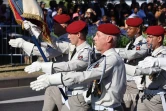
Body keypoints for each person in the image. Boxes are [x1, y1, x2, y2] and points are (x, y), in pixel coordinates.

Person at [30, 23, 126, 111]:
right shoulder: (105, 58)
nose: (94, 38)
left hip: (105, 108)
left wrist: (53, 78)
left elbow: (85, 75)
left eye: (98, 35)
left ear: (108, 39)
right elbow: (57, 44)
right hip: (93, 105)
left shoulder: (111, 59)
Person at [25, 20, 93, 111]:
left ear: (78, 35)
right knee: (51, 94)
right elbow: (56, 43)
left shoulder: (86, 51)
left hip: (79, 97)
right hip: (69, 95)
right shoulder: (73, 47)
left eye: (70, 34)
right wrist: (37, 31)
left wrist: (45, 66)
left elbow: (70, 66)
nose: (68, 36)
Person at [126, 26, 166, 111]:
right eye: (147, 36)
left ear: (159, 39)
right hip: (144, 94)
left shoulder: (162, 54)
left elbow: (152, 69)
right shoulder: (151, 53)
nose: (147, 39)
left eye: (150, 37)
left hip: (156, 97)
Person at [115, 17, 148, 111]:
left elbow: (131, 55)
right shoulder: (131, 43)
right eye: (127, 28)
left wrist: (114, 52)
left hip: (136, 81)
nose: (127, 30)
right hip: (127, 81)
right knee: (125, 107)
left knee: (135, 107)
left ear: (137, 29)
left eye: (130, 28)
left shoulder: (143, 43)